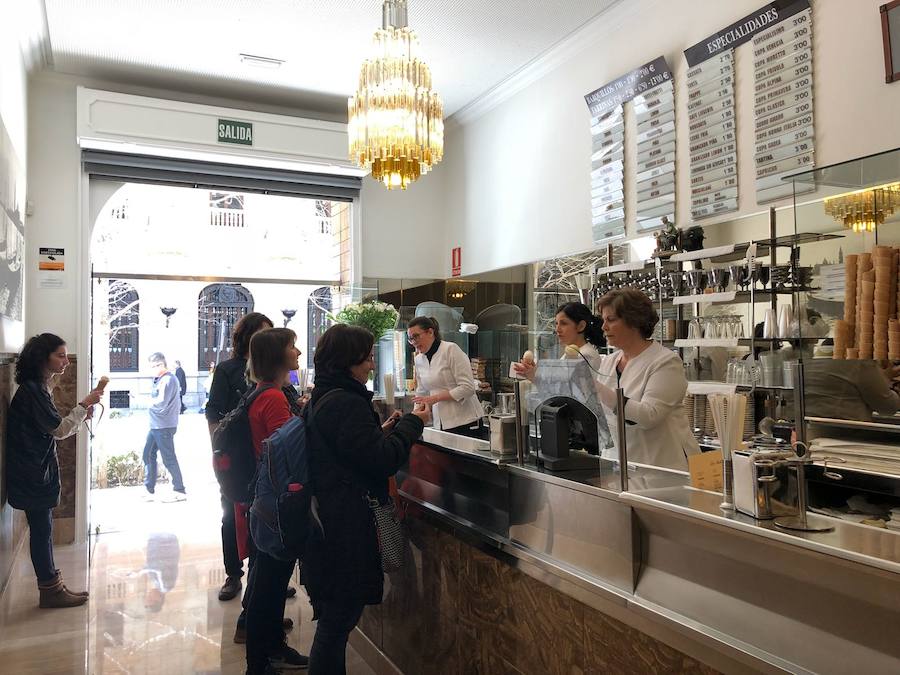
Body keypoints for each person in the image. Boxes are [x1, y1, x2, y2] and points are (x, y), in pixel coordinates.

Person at [303, 324, 430, 675]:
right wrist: (412, 425)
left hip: (331, 518)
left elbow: (351, 449)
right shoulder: (345, 402)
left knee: (336, 619)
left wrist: (381, 431)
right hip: (345, 523)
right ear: (350, 360)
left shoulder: (326, 396)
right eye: (369, 357)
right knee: (338, 619)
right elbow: (382, 460)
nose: (372, 365)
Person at [5, 333, 102, 608]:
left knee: (42, 529)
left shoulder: (35, 387)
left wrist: (82, 411)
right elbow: (58, 429)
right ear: (42, 358)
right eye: (60, 355)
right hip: (31, 471)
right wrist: (83, 405)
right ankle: (50, 589)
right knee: (42, 530)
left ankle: (52, 586)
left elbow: (55, 425)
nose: (66, 362)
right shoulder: (34, 390)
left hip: (32, 469)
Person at [243, 327, 308, 674]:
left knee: (265, 582)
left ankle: (271, 649)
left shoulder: (264, 393)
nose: (297, 353)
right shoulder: (273, 398)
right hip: (275, 507)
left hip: (263, 502)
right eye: (291, 347)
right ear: (277, 356)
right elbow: (288, 454)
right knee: (267, 586)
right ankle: (259, 661)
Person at [206, 312, 273, 603]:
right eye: (262, 333)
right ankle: (233, 573)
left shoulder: (272, 372)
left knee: (266, 515)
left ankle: (266, 574)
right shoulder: (227, 369)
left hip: (265, 454)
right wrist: (218, 449)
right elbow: (213, 412)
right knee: (230, 514)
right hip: (235, 454)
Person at [593, 289, 699, 470]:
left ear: (633, 321)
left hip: (662, 468)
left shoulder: (665, 362)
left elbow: (649, 416)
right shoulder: (610, 361)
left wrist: (596, 388)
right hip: (618, 464)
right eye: (603, 321)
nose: (603, 327)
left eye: (611, 320)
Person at [408, 316, 483, 437]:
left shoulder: (450, 349)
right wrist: (414, 417)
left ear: (430, 332)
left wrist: (436, 398)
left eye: (416, 336)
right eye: (410, 339)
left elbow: (468, 387)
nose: (413, 342)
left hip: (467, 422)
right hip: (441, 424)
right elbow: (421, 392)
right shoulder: (419, 360)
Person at [513, 301, 606, 380]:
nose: (557, 329)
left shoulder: (586, 355)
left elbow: (569, 390)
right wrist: (533, 373)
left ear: (581, 326)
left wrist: (536, 376)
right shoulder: (571, 353)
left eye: (564, 323)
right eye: (556, 324)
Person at [142, 352, 186, 501]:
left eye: (153, 366)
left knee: (168, 458)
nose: (151, 369)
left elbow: (161, 402)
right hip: (157, 425)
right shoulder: (161, 379)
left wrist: (145, 403)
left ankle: (179, 490)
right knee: (148, 454)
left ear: (161, 364)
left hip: (163, 425)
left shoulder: (168, 380)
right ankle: (149, 489)